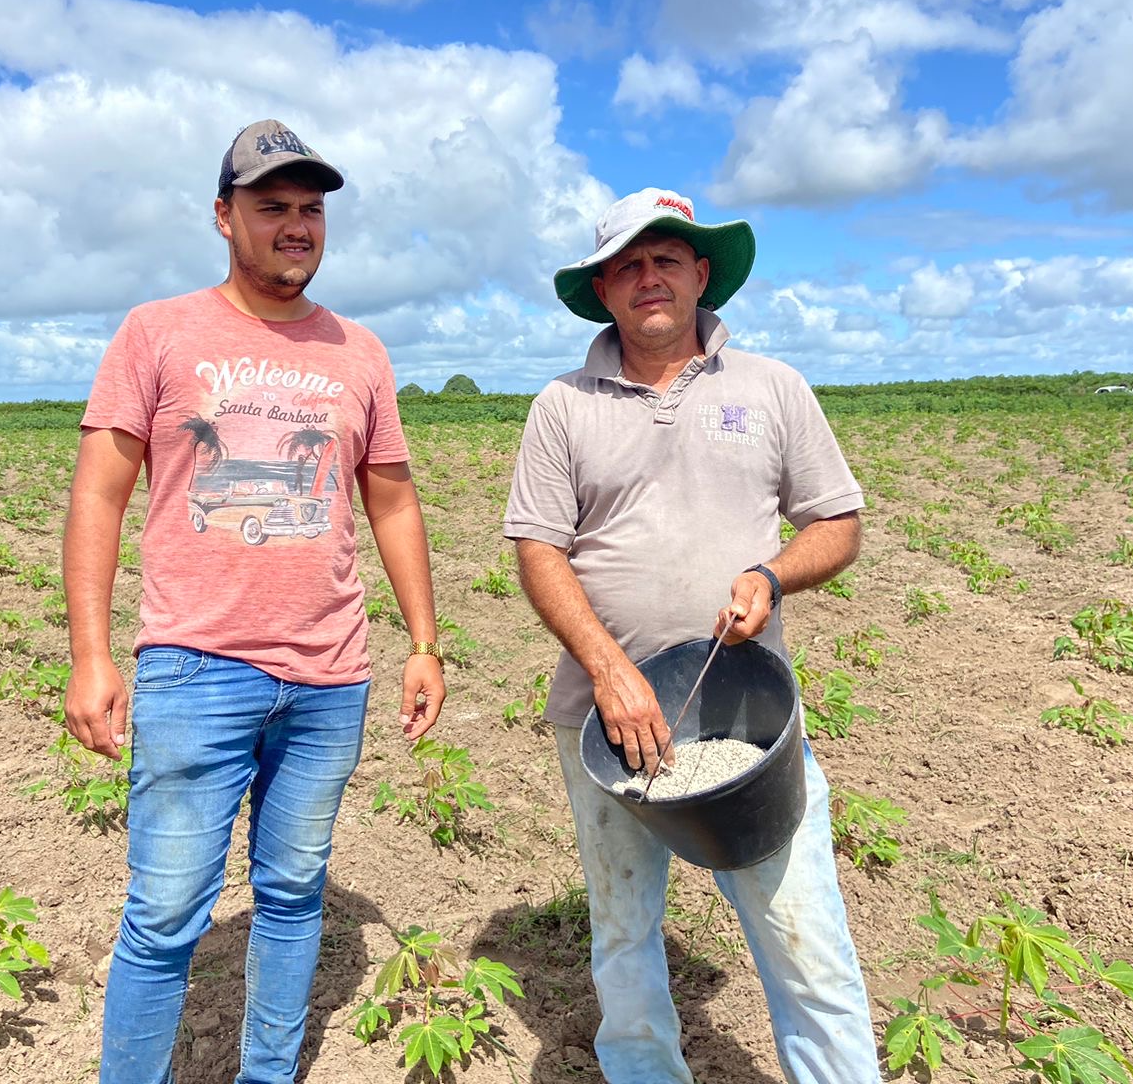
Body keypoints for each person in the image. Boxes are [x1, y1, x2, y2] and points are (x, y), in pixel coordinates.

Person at [64, 119, 447, 1084]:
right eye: (272, 206)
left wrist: (423, 641)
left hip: (330, 679)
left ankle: (267, 1076)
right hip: (195, 668)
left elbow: (391, 498)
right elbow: (98, 494)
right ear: (224, 215)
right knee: (163, 916)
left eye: (310, 209)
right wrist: (91, 654)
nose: (295, 226)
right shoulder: (158, 333)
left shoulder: (360, 351)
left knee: (291, 894)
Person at [503, 187, 880, 1083]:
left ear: (701, 273)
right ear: (602, 289)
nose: (648, 279)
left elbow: (837, 524)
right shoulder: (563, 404)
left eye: (666, 259)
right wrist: (607, 667)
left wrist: (772, 574)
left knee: (805, 937)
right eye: (626, 266)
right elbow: (537, 549)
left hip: (748, 716)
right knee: (624, 930)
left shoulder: (771, 386)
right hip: (607, 719)